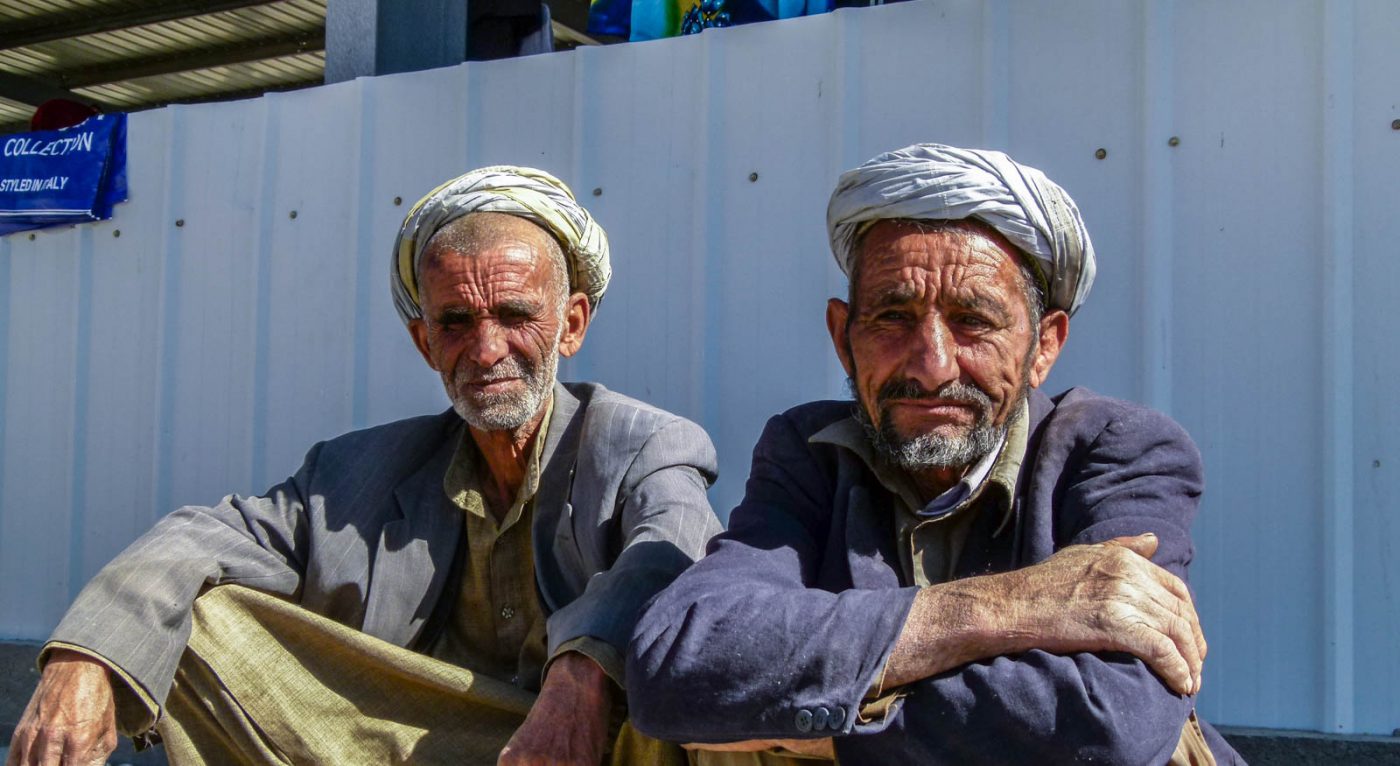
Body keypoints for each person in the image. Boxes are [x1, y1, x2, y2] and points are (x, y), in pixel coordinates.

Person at [7, 166, 721, 766]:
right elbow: (200, 536)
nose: (486, 349)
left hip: (594, 743)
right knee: (204, 614)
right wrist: (86, 658)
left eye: (513, 314)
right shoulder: (357, 470)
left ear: (570, 323)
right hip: (417, 741)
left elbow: (675, 554)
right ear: (424, 342)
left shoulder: (644, 443)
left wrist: (584, 672)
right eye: (455, 323)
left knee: (670, 700)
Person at [627, 144, 1243, 765]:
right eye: (892, 317)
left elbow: (1112, 727)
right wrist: (1018, 605)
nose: (932, 366)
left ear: (1045, 345)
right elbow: (679, 662)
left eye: (973, 321)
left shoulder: (1122, 451)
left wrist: (823, 732)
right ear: (844, 339)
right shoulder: (808, 451)